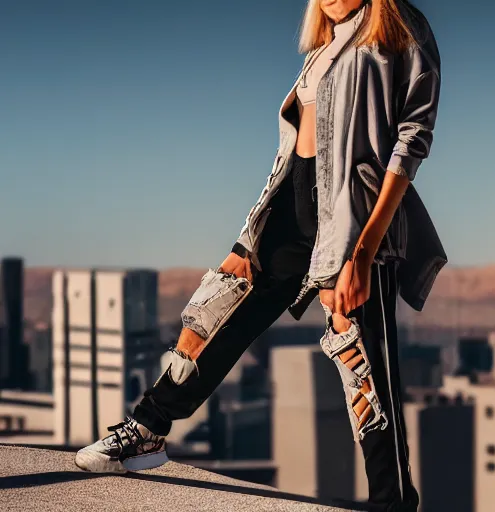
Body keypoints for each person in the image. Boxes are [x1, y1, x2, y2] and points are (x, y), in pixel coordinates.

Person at [75, 1, 446, 510]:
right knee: (218, 315)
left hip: (353, 219)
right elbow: (295, 149)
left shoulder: (400, 27)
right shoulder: (323, 46)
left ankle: (394, 503)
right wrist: (252, 232)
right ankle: (147, 429)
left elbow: (412, 140)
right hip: (288, 207)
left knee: (366, 371)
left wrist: (363, 251)